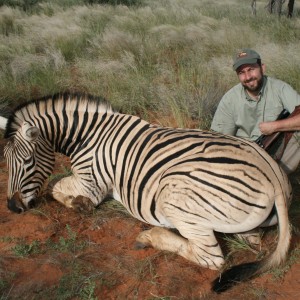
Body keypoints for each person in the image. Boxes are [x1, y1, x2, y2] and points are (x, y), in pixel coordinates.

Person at [211, 48, 300, 175]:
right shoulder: (230, 99)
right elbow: (220, 140)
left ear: (262, 68)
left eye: (251, 69)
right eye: (242, 72)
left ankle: (280, 178)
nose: (247, 77)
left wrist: (275, 126)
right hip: (245, 155)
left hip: (277, 149)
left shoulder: (280, 88)